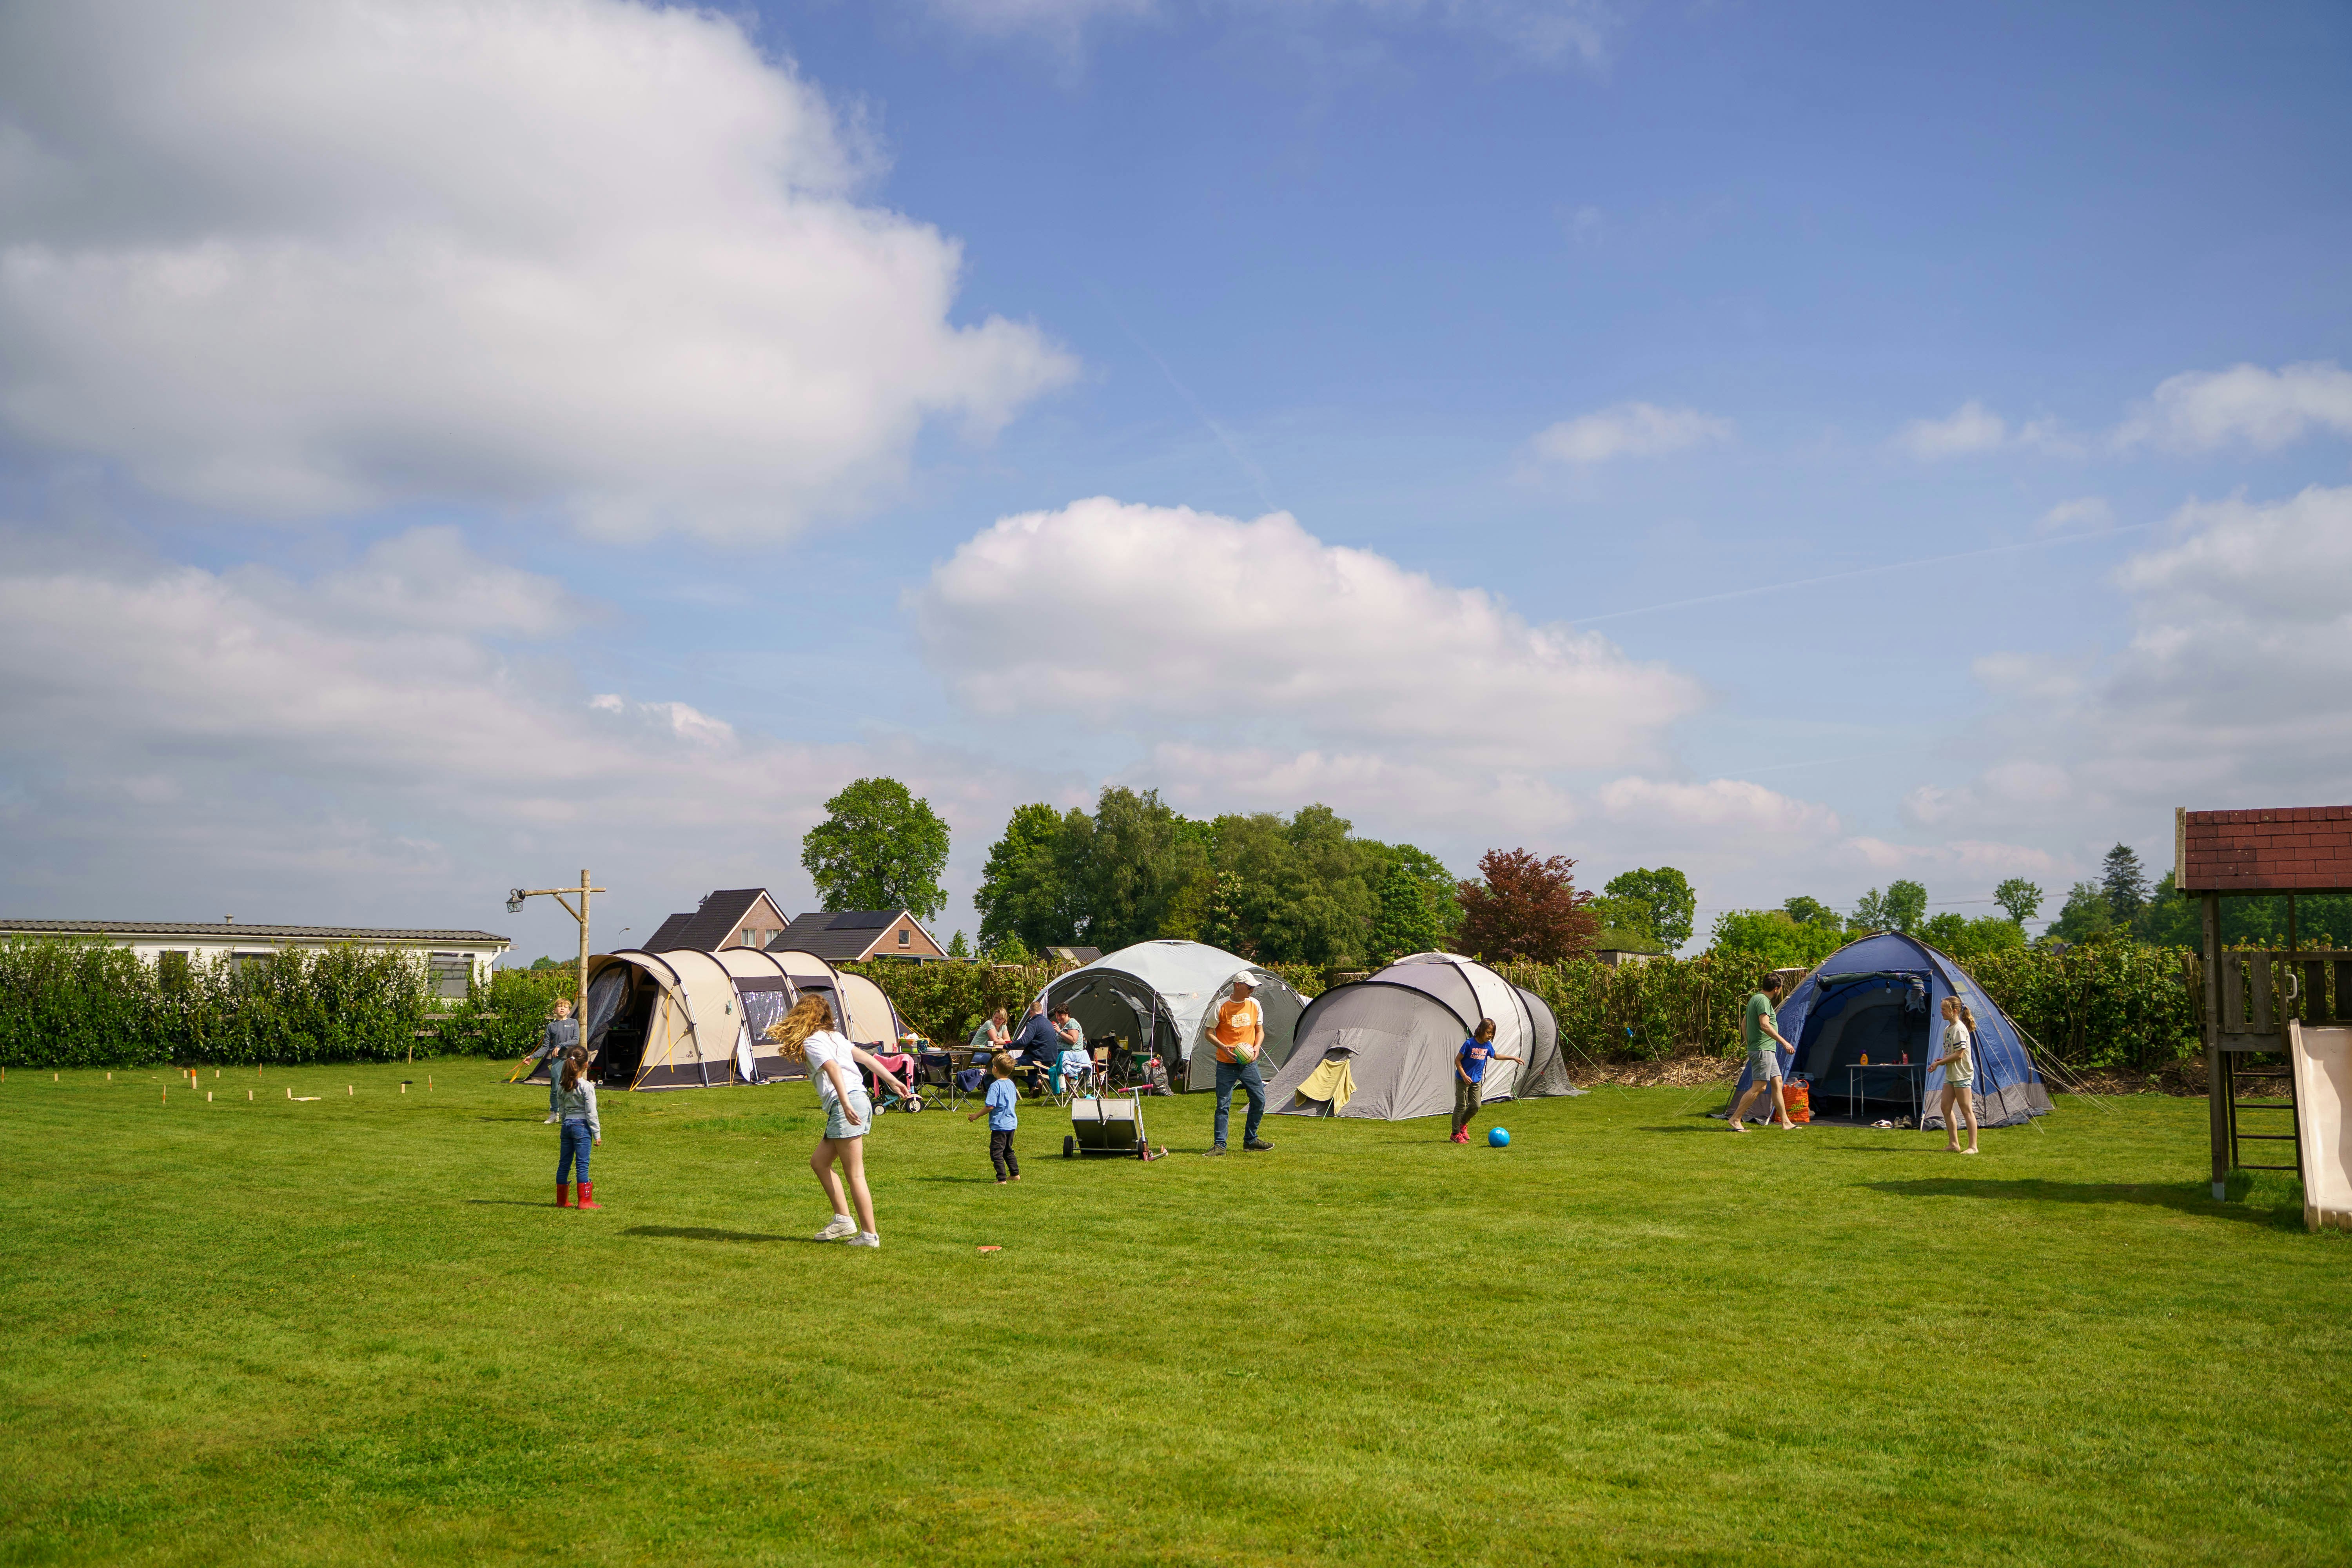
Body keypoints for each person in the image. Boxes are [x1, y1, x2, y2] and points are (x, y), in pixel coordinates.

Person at [768, 995, 912, 1249]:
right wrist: (893, 1080)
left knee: (855, 1174)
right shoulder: (836, 1037)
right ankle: (843, 1220)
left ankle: (869, 1236)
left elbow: (834, 1069)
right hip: (855, 1101)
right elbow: (868, 1059)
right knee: (819, 1162)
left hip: (848, 1103)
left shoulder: (813, 1042)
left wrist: (844, 1103)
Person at [1206, 973, 1274, 1155]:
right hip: (1226, 1063)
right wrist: (1224, 1047)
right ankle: (1220, 1146)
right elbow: (1209, 1033)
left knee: (1259, 1100)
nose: (1253, 990)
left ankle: (1250, 1140)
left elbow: (1260, 1031)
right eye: (1249, 987)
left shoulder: (1255, 1005)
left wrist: (1257, 1047)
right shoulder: (1220, 1006)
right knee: (1223, 1105)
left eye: (1253, 987)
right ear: (1238, 985)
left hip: (1249, 1064)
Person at [1725, 974, 1800, 1131]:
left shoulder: (1755, 999)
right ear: (1776, 989)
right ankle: (1735, 1119)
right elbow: (1765, 1025)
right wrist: (1785, 1043)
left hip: (1764, 1049)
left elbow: (1744, 1024)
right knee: (1759, 1087)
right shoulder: (1763, 1001)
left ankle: (1786, 1123)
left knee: (1778, 1082)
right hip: (1763, 1050)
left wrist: (1749, 1043)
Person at [1450, 1019, 1523, 1144]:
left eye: (1492, 1033)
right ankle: (1455, 1134)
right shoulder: (1469, 1044)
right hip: (1463, 1079)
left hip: (1476, 1080)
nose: (1490, 1036)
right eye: (1488, 1032)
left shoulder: (1488, 1045)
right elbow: (1458, 1060)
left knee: (1476, 1106)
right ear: (1481, 1030)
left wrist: (1513, 1058)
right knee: (1461, 1106)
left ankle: (1462, 1124)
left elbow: (1496, 1056)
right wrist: (1464, 1076)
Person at [553, 1045, 602, 1210]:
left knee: (564, 1163)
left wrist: (565, 1122)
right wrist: (597, 1134)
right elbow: (591, 1112)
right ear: (586, 1065)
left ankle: (562, 1201)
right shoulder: (586, 1086)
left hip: (567, 1125)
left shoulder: (562, 1085)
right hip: (582, 1127)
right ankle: (585, 1201)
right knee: (582, 1164)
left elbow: (561, 1108)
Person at [1932, 995, 1982, 1154]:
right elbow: (1950, 1052)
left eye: (1944, 1009)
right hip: (1952, 1074)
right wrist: (1942, 1060)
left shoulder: (1959, 1029)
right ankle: (1954, 1144)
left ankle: (1973, 1147)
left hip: (1962, 1074)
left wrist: (1940, 1063)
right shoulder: (1948, 1029)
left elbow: (1959, 1055)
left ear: (1954, 1011)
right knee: (1945, 1107)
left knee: (1966, 1109)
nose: (1941, 1012)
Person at [967, 1052, 1022, 1183]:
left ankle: (1002, 1179)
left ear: (995, 1069)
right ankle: (1015, 1174)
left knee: (996, 1152)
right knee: (1008, 1150)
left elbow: (990, 1106)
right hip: (1011, 1123)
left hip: (1000, 1125)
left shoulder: (995, 1086)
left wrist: (977, 1115)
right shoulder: (1011, 1084)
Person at [539, 996, 580, 1124]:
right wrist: (532, 1057)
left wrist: (560, 1045)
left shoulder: (574, 1023)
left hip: (571, 1060)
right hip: (557, 1060)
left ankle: (571, 1113)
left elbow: (576, 1040)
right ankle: (554, 1113)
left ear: (569, 1011)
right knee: (555, 1088)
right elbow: (546, 1046)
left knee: (572, 1086)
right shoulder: (551, 1026)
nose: (562, 1008)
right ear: (555, 1010)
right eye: (560, 1006)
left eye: (565, 1007)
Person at [1013, 1002, 1060, 1095]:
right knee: (1029, 1062)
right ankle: (1033, 1089)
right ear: (1042, 1011)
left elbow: (1024, 1041)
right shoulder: (1048, 1023)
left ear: (1030, 1012)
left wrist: (1007, 1046)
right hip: (1053, 1059)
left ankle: (1035, 1082)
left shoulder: (1033, 1024)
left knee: (1011, 1064)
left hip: (1039, 1059)